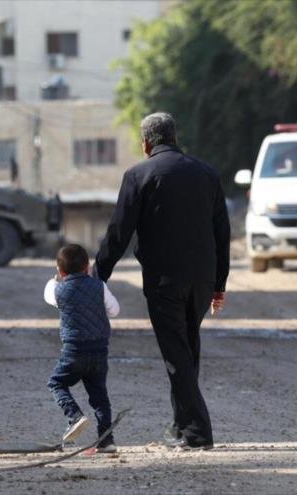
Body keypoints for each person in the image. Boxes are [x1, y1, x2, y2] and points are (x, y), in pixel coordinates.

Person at [94, 112, 230, 450]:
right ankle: (179, 429)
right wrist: (219, 284)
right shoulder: (206, 173)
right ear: (174, 137)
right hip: (201, 279)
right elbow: (222, 233)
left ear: (146, 143)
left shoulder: (139, 175)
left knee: (176, 355)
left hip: (163, 281)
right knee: (186, 350)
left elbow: (119, 231)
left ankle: (198, 434)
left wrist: (98, 275)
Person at [44, 244, 120, 453]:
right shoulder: (99, 286)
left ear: (60, 271)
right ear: (87, 267)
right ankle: (107, 441)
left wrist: (54, 279)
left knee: (56, 383)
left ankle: (75, 416)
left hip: (74, 350)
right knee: (99, 397)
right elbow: (114, 310)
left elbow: (48, 295)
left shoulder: (57, 289)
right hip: (99, 350)